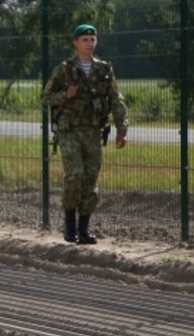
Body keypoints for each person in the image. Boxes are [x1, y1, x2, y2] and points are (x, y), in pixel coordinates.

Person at [41, 23, 128, 244]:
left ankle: (84, 228)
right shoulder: (65, 69)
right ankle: (69, 222)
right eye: (85, 40)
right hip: (69, 131)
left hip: (93, 131)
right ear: (75, 43)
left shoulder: (104, 69)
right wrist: (65, 95)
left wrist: (121, 129)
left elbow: (116, 101)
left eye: (92, 39)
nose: (90, 43)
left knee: (90, 180)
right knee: (75, 174)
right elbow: (46, 98)